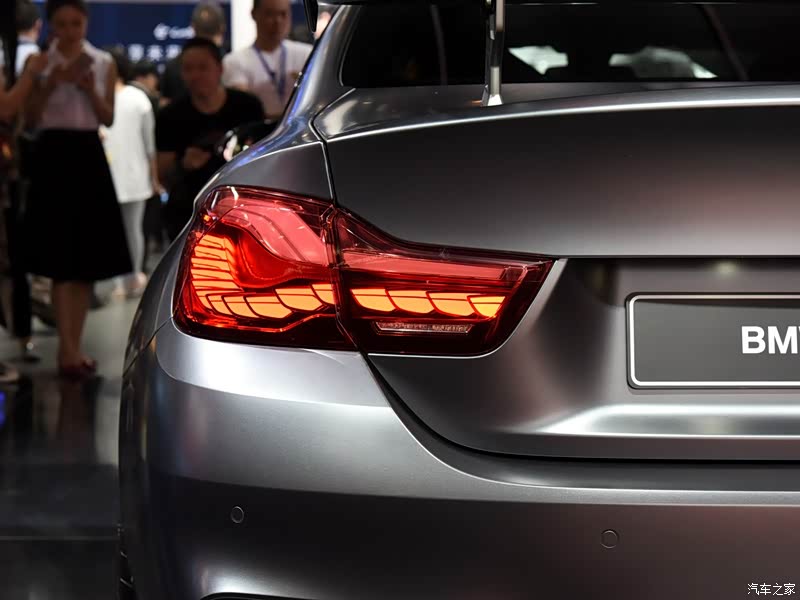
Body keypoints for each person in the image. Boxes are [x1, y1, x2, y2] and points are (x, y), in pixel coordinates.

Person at [23, 0, 132, 378]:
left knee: (85, 263)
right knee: (59, 260)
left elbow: (108, 117)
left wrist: (88, 90)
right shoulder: (39, 62)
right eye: (62, 24)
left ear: (86, 22)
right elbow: (29, 119)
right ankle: (67, 350)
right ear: (51, 25)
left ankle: (73, 347)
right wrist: (49, 83)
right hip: (52, 155)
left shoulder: (102, 62)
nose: (70, 31)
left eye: (76, 23)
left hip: (87, 155)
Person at [157, 37, 263, 239]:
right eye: (188, 69)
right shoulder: (170, 116)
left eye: (203, 67)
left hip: (242, 211)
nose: (195, 75)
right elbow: (162, 174)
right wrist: (183, 165)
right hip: (188, 215)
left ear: (219, 69)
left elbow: (264, 161)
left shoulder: (248, 107)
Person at [102, 47, 159, 298]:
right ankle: (127, 277)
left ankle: (130, 276)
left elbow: (149, 145)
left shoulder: (135, 99)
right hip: (125, 175)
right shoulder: (135, 99)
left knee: (130, 229)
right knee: (127, 230)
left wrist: (154, 177)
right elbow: (149, 146)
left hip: (131, 174)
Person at [222, 0, 312, 119]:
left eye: (283, 14)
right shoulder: (233, 62)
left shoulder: (308, 55)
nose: (277, 21)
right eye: (270, 14)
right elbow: (244, 109)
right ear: (254, 14)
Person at [160, 1, 226, 106]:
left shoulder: (174, 65)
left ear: (193, 27)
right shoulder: (231, 63)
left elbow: (165, 105)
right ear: (222, 27)